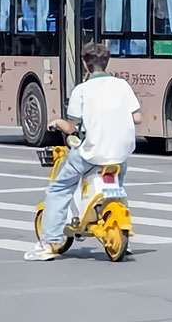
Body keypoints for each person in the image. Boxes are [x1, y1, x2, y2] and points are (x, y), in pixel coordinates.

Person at [24, 43, 142, 262]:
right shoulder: (123, 85)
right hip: (122, 153)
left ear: (85, 65)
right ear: (107, 62)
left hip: (92, 153)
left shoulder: (82, 90)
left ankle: (48, 243)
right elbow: (137, 118)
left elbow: (71, 127)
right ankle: (125, 240)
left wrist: (58, 122)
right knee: (118, 188)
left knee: (59, 189)